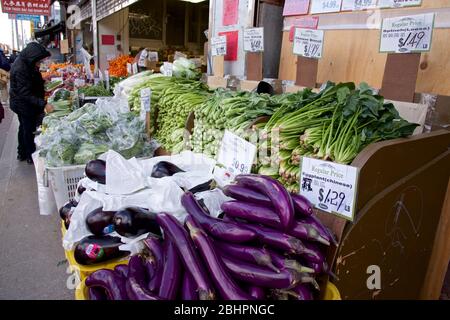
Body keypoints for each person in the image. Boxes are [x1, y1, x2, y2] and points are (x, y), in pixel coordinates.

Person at [9, 42, 51, 164]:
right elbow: (25, 93)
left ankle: (21, 152)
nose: (40, 63)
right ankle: (30, 155)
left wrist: (42, 82)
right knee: (28, 129)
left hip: (23, 103)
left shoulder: (27, 63)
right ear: (33, 57)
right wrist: (43, 103)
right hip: (23, 105)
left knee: (23, 128)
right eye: (39, 61)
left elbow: (33, 80)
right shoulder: (20, 68)